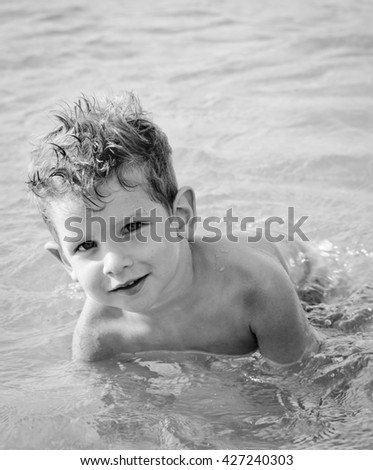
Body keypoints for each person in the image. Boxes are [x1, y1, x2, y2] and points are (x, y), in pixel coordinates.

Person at [27, 93, 320, 364]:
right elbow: (116, 417)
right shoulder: (100, 336)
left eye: (134, 227)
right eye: (86, 246)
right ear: (66, 262)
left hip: (300, 270)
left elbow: (299, 379)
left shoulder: (255, 287)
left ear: (180, 217)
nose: (114, 264)